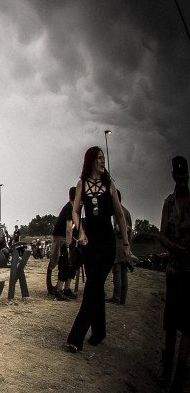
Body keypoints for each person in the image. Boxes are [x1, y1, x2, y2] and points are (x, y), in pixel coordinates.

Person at [65, 147, 131, 352]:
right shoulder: (82, 184)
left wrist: (126, 244)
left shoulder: (110, 185)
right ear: (91, 161)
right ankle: (99, 332)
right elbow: (75, 212)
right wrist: (81, 232)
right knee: (96, 287)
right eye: (99, 158)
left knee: (92, 287)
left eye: (104, 158)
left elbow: (119, 216)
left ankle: (75, 338)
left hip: (107, 244)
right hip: (89, 244)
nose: (103, 161)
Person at [158, 155, 190, 393]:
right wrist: (173, 247)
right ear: (173, 177)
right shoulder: (168, 203)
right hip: (174, 271)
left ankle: (179, 377)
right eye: (178, 177)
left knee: (187, 326)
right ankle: (167, 369)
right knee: (170, 323)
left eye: (185, 177)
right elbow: (162, 235)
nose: (181, 180)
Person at [49, 187, 78, 301]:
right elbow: (68, 229)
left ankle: (66, 288)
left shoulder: (71, 208)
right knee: (65, 263)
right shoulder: (69, 208)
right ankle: (59, 291)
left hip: (65, 239)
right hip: (62, 239)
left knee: (71, 264)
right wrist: (67, 246)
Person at [108, 190, 133, 305]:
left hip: (118, 244)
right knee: (123, 272)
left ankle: (117, 296)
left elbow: (119, 228)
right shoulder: (126, 211)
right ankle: (122, 297)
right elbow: (129, 231)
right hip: (125, 244)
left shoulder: (118, 212)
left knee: (117, 272)